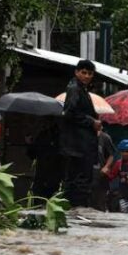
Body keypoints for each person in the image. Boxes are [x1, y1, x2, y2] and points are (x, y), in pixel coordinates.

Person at [61, 59, 101, 207]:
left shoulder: (81, 90)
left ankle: (75, 208)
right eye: (83, 72)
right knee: (79, 180)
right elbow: (70, 113)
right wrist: (91, 122)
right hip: (77, 145)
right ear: (76, 72)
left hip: (81, 145)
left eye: (90, 73)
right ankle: (76, 209)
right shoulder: (74, 89)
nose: (86, 76)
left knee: (78, 179)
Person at [26, 119, 62, 199]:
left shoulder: (45, 136)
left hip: (46, 172)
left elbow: (32, 154)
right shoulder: (57, 136)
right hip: (50, 173)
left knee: (41, 195)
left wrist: (30, 144)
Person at [90, 128, 116, 211]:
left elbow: (111, 155)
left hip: (100, 174)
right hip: (87, 174)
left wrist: (106, 166)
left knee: (100, 201)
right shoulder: (85, 136)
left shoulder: (105, 137)